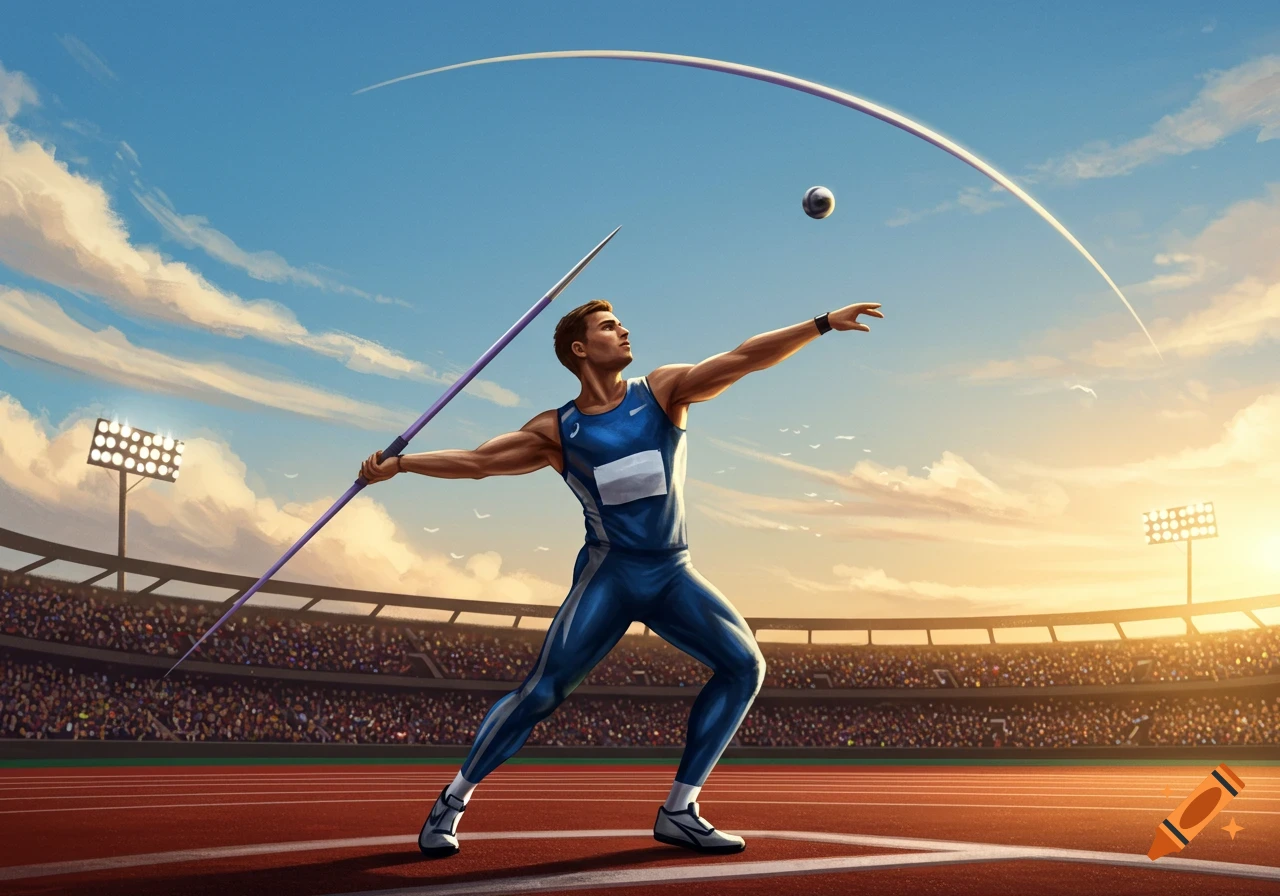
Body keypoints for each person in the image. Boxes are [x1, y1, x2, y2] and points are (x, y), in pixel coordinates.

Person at [360, 297, 884, 858]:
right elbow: (479, 460)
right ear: (580, 349)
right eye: (610, 326)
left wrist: (822, 324)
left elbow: (745, 358)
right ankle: (453, 801)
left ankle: (679, 810)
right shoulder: (556, 430)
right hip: (609, 575)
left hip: (672, 571)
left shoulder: (661, 391)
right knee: (542, 692)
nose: (625, 330)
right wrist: (402, 464)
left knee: (744, 665)